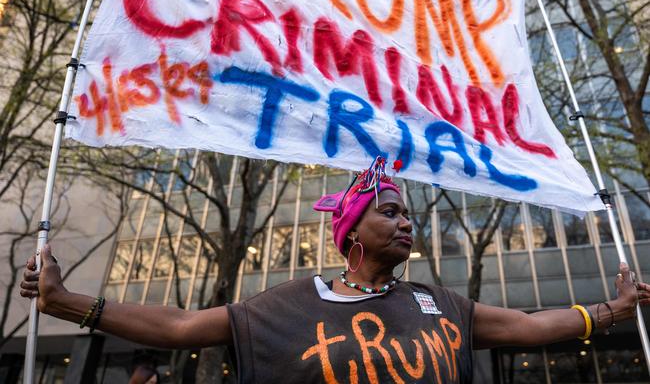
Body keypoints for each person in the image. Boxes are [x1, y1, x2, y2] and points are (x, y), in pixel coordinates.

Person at [21, 158, 650, 383]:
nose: (408, 224)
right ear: (349, 231)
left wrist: (612, 313)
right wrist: (67, 302)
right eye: (391, 212)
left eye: (409, 216)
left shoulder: (442, 306)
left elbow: (524, 327)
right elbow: (182, 328)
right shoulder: (286, 305)